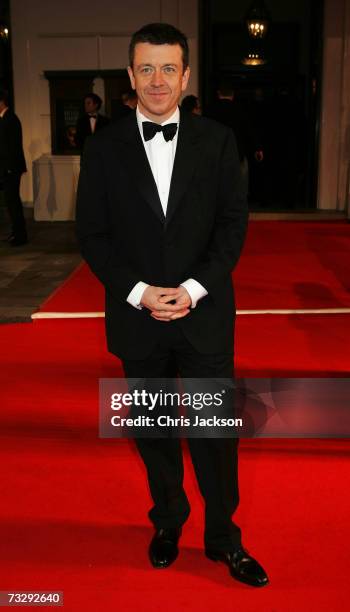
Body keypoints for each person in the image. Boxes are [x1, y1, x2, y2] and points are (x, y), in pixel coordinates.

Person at [76, 22, 268, 588]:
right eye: (146, 68)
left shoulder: (218, 140)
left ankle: (224, 538)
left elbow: (232, 226)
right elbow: (93, 234)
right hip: (138, 319)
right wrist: (138, 293)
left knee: (214, 432)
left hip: (203, 315)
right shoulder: (103, 146)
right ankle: (167, 521)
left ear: (185, 75)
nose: (157, 80)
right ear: (130, 77)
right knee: (154, 431)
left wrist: (194, 289)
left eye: (168, 68)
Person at [0, 89, 27, 246]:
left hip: (11, 168)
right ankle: (15, 232)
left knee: (13, 202)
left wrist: (9, 167)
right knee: (10, 202)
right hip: (5, 168)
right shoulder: (3, 119)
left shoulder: (12, 119)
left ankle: (20, 236)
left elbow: (14, 146)